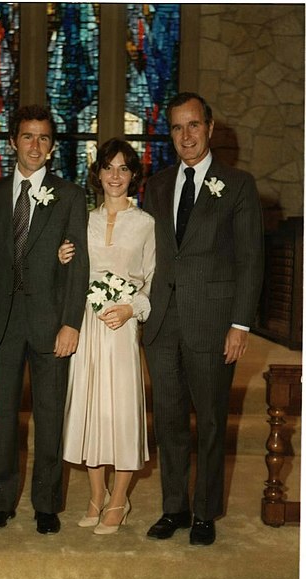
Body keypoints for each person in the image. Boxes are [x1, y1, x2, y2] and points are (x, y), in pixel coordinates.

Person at [142, 92, 264, 545]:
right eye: (177, 128)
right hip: (162, 323)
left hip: (213, 323)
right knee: (168, 418)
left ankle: (205, 512)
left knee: (210, 421)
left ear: (210, 128)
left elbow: (251, 260)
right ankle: (174, 506)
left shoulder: (238, 184)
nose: (186, 136)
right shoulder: (156, 185)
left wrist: (241, 324)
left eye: (193, 125)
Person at [0, 104, 89, 535]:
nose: (35, 145)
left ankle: (46, 503)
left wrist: (71, 322)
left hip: (50, 323)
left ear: (52, 146)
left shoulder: (71, 195)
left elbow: (78, 265)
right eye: (28, 136)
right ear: (12, 142)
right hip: (2, 323)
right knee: (2, 416)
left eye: (44, 138)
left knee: (49, 415)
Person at [59, 138, 155, 535]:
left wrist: (133, 308)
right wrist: (61, 257)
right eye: (108, 167)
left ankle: (119, 499)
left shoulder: (146, 223)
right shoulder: (83, 220)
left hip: (122, 328)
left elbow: (153, 280)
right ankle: (96, 495)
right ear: (97, 173)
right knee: (91, 411)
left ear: (133, 176)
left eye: (123, 168)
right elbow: (68, 275)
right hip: (89, 324)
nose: (115, 176)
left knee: (121, 412)